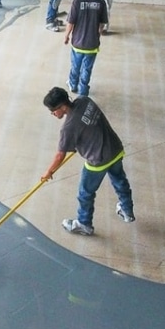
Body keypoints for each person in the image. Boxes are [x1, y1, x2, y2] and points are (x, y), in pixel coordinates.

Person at [40, 87, 135, 236]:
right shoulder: (85, 101)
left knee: (85, 193)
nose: (52, 114)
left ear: (62, 106)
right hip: (115, 149)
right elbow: (89, 125)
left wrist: (48, 172)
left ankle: (84, 224)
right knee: (120, 180)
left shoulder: (68, 128)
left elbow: (60, 155)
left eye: (53, 110)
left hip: (98, 160)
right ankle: (127, 211)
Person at [63, 0, 108, 97]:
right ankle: (83, 92)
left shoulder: (77, 1)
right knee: (87, 69)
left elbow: (71, 22)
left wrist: (66, 36)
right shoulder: (101, 2)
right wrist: (97, 33)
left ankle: (73, 84)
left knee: (75, 66)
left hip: (78, 43)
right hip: (92, 45)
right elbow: (102, 24)